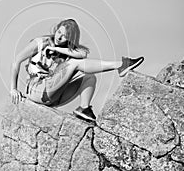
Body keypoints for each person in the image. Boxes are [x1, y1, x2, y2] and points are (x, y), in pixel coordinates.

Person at [10, 18, 144, 123]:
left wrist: (57, 49)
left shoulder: (67, 49)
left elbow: (82, 54)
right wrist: (13, 88)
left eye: (64, 36)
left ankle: (84, 108)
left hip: (55, 96)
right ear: (56, 29)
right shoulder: (40, 42)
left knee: (89, 77)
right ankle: (120, 65)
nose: (59, 37)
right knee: (74, 64)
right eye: (59, 32)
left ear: (70, 39)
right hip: (37, 90)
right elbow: (16, 61)